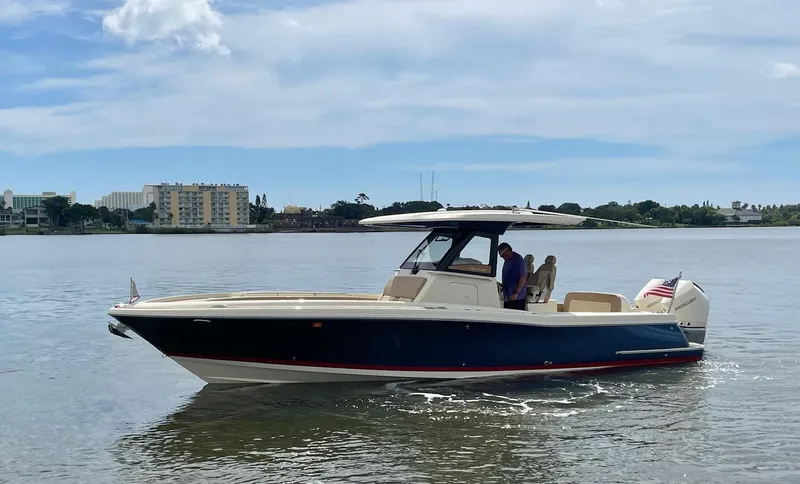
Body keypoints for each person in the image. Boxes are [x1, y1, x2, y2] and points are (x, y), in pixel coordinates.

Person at [498, 242, 527, 310]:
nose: (501, 256)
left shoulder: (518, 259)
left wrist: (516, 293)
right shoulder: (507, 260)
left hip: (516, 297)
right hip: (508, 296)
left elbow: (523, 277)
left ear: (507, 250)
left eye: (502, 254)